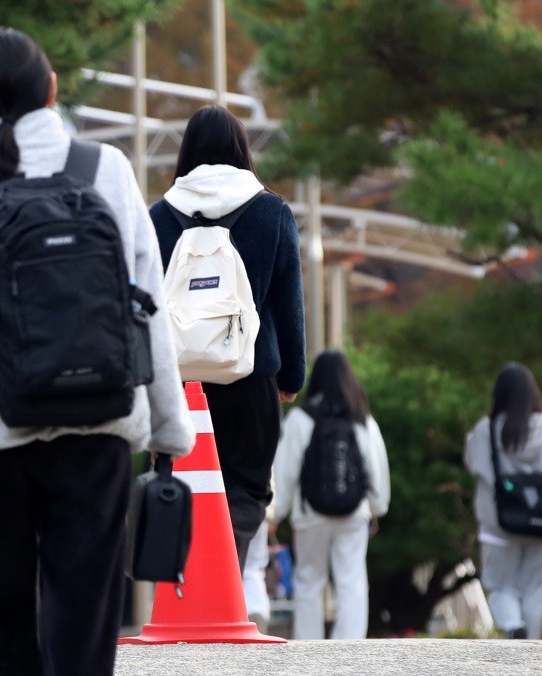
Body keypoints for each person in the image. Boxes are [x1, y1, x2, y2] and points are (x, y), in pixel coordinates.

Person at [0, 27, 193, 675]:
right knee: (86, 593)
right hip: (100, 409)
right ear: (51, 91)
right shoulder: (108, 168)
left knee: (7, 588)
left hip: (2, 413)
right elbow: (145, 300)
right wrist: (166, 426)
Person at [150, 105, 306, 569]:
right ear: (242, 149)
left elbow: (143, 305)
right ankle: (222, 568)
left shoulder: (159, 214)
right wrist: (291, 375)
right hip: (251, 371)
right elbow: (288, 303)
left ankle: (186, 578)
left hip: (179, 379)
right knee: (248, 485)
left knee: (176, 480)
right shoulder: (272, 212)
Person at [271, 351, 389, 640]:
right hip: (353, 514)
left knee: (309, 580)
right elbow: (376, 467)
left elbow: (285, 470)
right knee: (351, 580)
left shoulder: (301, 418)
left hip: (310, 514)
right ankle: (348, 644)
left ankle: (308, 644)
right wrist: (376, 508)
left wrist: (276, 512)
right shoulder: (361, 418)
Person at [464, 364, 542, 640]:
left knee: (499, 585)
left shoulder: (487, 430)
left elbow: (476, 465)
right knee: (534, 587)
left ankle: (512, 625)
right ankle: (528, 642)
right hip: (541, 522)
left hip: (498, 522)